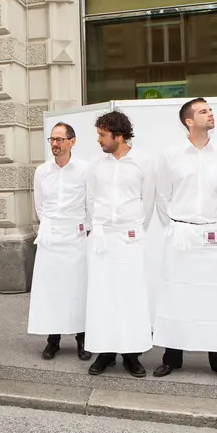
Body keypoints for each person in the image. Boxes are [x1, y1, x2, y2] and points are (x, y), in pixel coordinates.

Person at [152, 98, 217, 383]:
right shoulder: (171, 155)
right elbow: (162, 196)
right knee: (176, 295)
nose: (210, 114)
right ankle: (172, 358)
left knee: (215, 298)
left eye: (210, 110)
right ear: (189, 121)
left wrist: (210, 223)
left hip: (211, 233)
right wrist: (177, 224)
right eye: (203, 111)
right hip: (181, 233)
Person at [84, 111, 154, 377]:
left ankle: (131, 355)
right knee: (103, 296)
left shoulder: (142, 162)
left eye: (103, 134)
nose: (99, 140)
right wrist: (99, 227)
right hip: (103, 238)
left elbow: (148, 201)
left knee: (130, 296)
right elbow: (91, 198)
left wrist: (134, 228)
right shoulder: (96, 164)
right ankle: (105, 352)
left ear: (118, 135)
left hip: (129, 237)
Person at [28, 122, 92, 361]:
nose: (55, 144)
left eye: (59, 139)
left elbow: (90, 202)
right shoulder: (42, 171)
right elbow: (39, 205)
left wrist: (85, 228)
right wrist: (48, 225)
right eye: (52, 140)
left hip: (75, 236)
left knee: (77, 288)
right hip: (51, 237)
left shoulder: (85, 169)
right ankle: (52, 339)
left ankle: (82, 338)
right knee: (50, 290)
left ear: (72, 141)